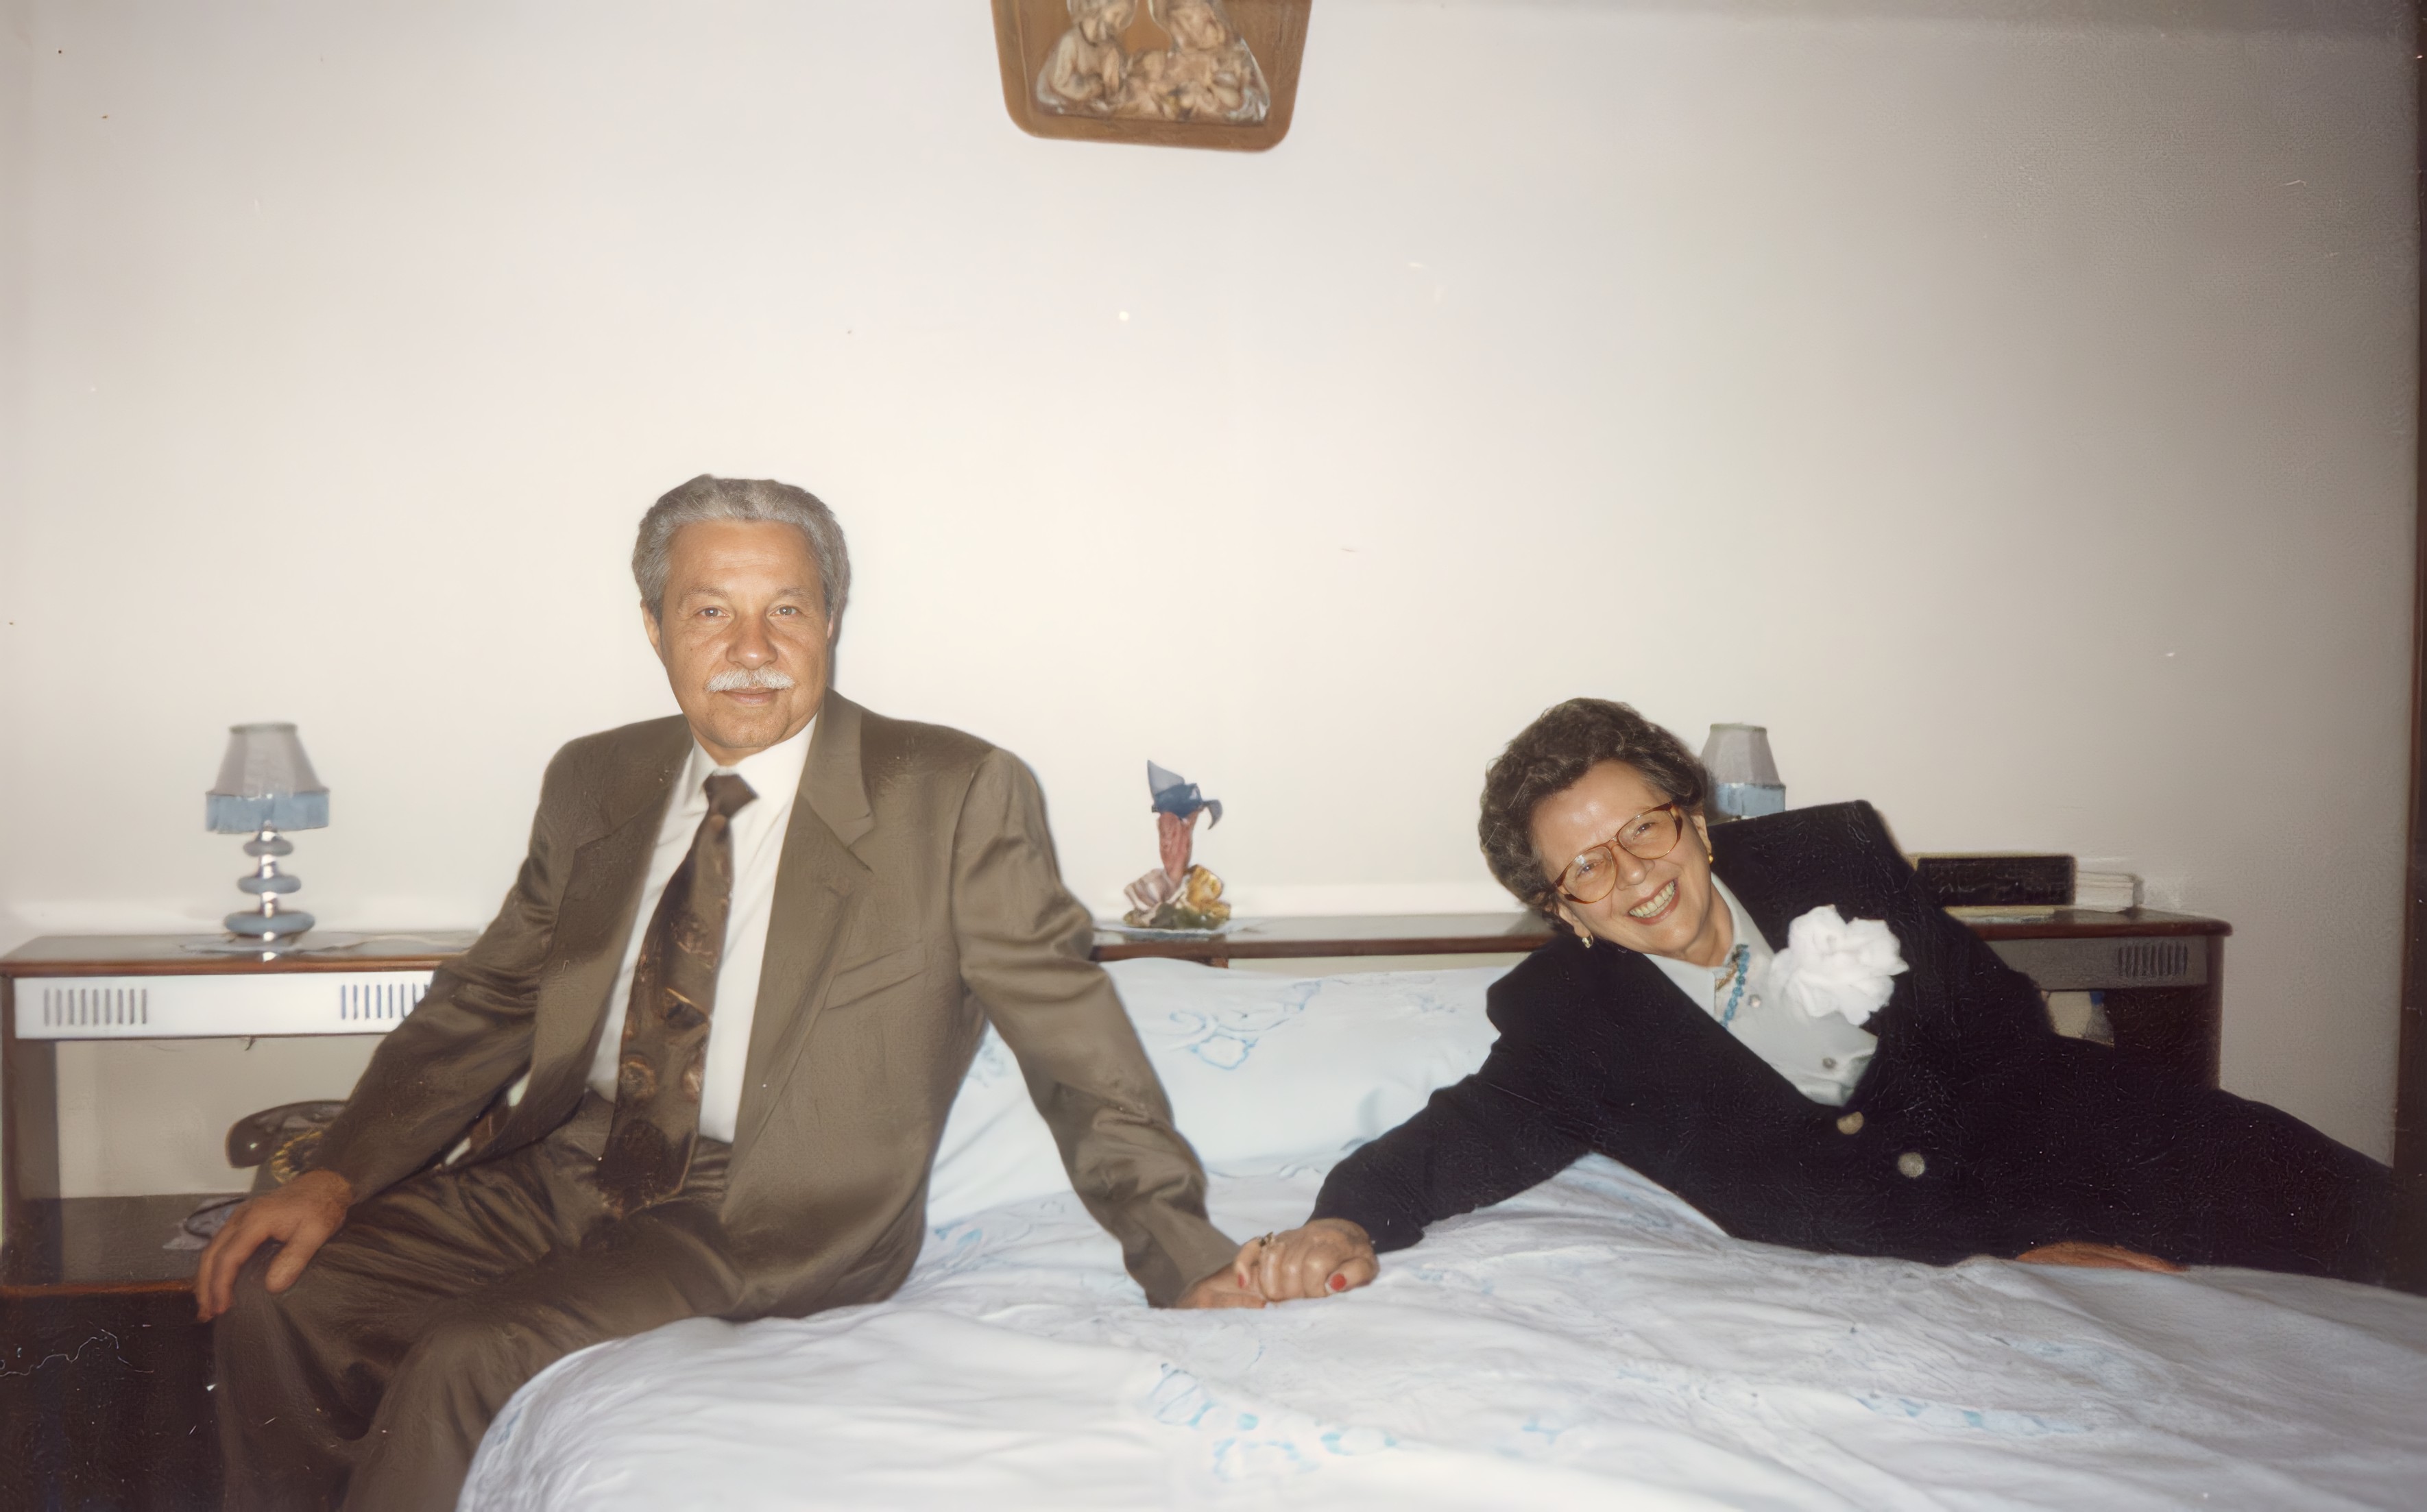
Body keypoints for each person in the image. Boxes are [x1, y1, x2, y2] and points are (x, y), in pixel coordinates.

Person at [196, 476, 1262, 1512]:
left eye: (786, 610)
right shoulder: (594, 779)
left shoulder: (952, 792)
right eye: (711, 612)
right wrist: (336, 1172)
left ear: (831, 621)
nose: (752, 649)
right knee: (278, 1292)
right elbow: (488, 1000)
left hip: (766, 1210)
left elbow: (1072, 1042)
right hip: (566, 1165)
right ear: (654, 627)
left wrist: (1180, 1255)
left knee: (473, 1355)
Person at [1237, 698, 2396, 1304]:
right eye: (1587, 865)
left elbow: (2004, 1038)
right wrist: (1343, 1219)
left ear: (1695, 818)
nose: (1634, 873)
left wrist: (2050, 1220)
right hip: (1946, 1254)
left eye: (1645, 827)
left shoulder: (1832, 856)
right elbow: (1459, 1139)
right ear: (1565, 909)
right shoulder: (1569, 1021)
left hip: (2081, 1135)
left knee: (2367, 1214)